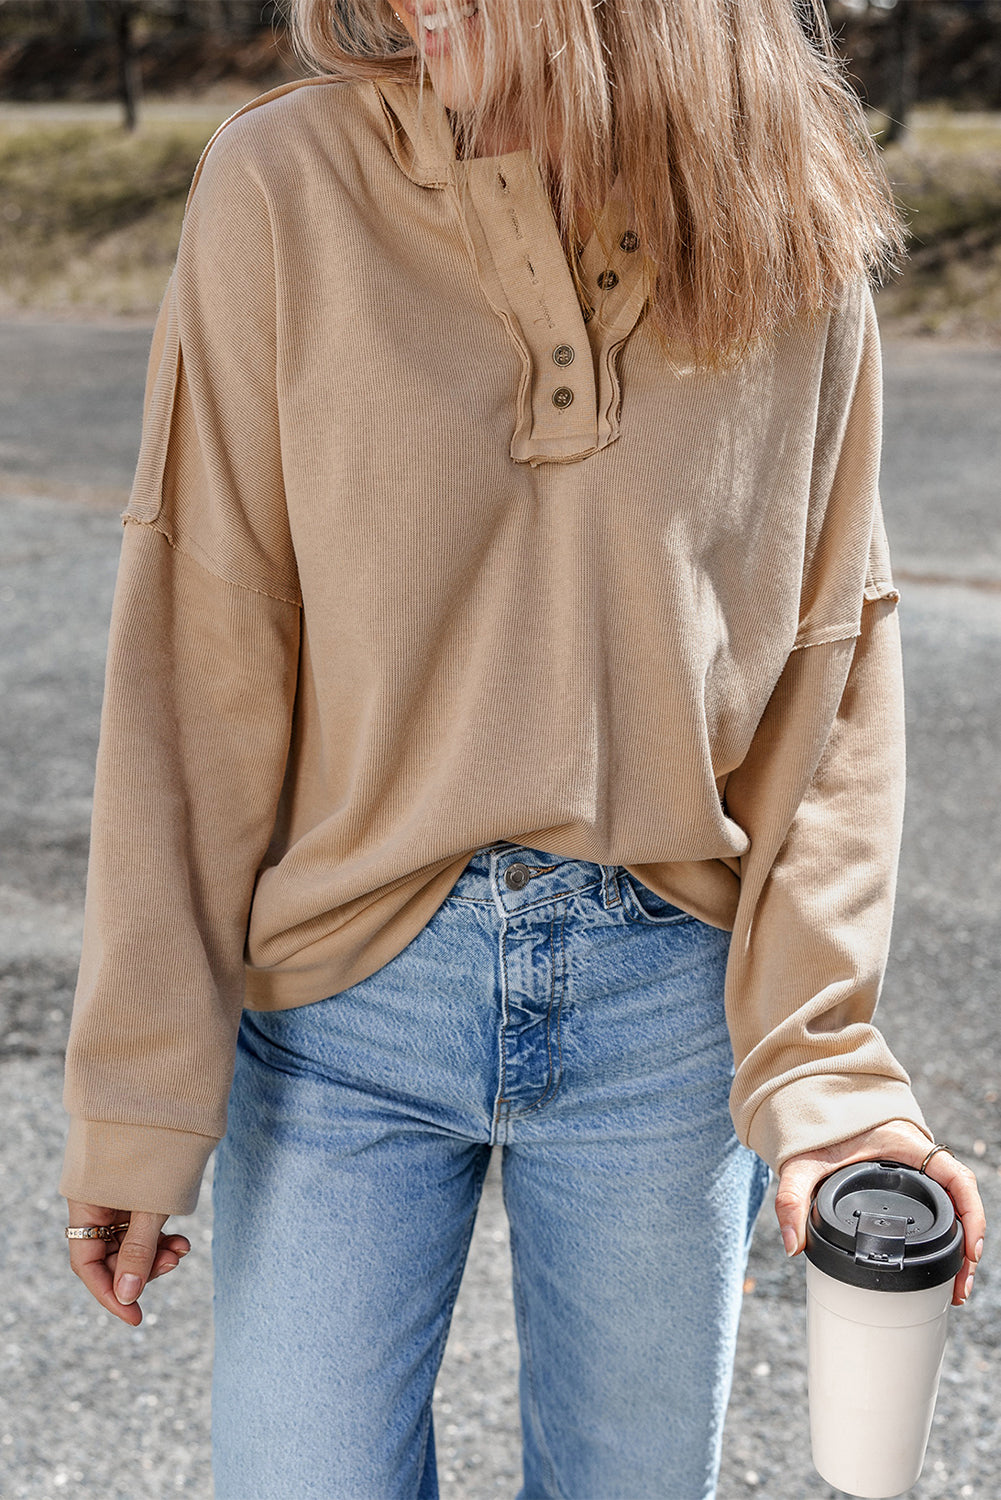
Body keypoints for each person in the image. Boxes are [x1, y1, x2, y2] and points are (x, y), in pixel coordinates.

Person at [61, 1, 986, 1496]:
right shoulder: (282, 185)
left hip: (663, 1021)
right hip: (344, 1009)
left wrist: (825, 1078)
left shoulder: (783, 203)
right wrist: (140, 1091)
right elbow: (198, 651)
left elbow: (830, 677)